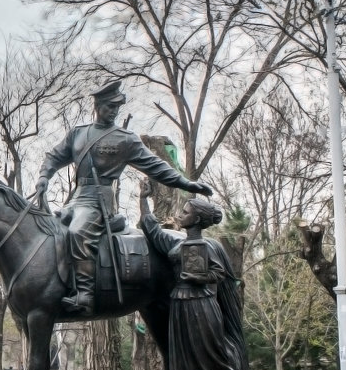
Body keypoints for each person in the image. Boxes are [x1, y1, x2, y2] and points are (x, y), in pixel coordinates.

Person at [35, 81, 213, 315]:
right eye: (110, 106)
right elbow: (54, 156)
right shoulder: (77, 134)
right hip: (77, 199)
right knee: (51, 232)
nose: (114, 111)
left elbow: (156, 166)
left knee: (78, 232)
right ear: (98, 106)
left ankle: (85, 295)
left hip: (100, 202)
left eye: (117, 107)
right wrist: (44, 176)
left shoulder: (125, 139)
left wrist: (185, 182)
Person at [138, 187, 260, 370]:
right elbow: (151, 230)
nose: (180, 215)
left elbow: (219, 274)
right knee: (183, 361)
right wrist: (143, 200)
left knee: (208, 359)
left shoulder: (209, 246)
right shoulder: (176, 242)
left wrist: (198, 276)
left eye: (185, 212)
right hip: (180, 308)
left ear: (197, 219)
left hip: (202, 307)